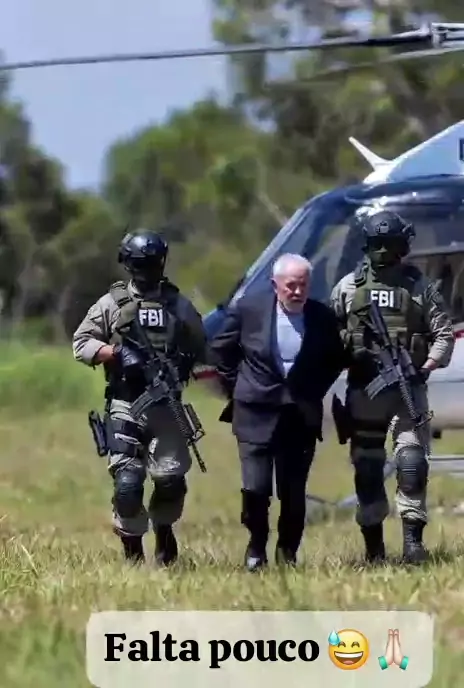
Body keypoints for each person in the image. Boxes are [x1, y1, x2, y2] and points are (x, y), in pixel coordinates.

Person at [72, 230, 208, 566]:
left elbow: (203, 346)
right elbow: (81, 343)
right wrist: (115, 353)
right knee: (128, 483)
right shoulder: (112, 304)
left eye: (152, 263)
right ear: (128, 264)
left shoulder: (177, 305)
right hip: (126, 402)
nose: (147, 270)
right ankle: (132, 549)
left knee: (170, 480)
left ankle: (164, 530)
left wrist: (184, 363)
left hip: (167, 405)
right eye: (140, 264)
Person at [330, 209, 455, 564]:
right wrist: (351, 350)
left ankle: (413, 545)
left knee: (412, 465)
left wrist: (424, 367)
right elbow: (329, 335)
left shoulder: (418, 286)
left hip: (407, 390)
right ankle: (375, 550)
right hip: (365, 390)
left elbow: (443, 335)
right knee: (368, 470)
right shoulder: (349, 288)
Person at [209, 253, 346, 571]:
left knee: (293, 493)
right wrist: (237, 386)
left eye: (303, 285)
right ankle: (256, 547)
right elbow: (219, 350)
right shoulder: (249, 309)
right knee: (255, 489)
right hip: (254, 412)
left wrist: (313, 389)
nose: (297, 291)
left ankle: (288, 553)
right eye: (290, 285)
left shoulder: (322, 317)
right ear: (275, 284)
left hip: (299, 415)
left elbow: (336, 359)